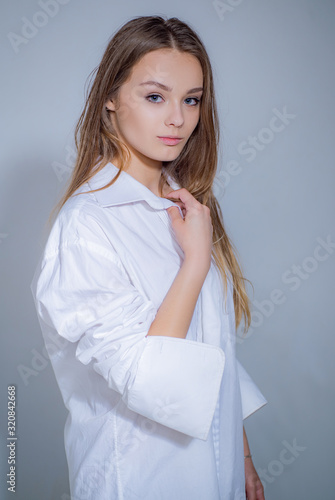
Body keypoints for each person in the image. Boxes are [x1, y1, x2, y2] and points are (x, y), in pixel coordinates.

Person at [31, 15, 267, 500]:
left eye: (192, 99)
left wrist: (241, 459)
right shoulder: (88, 225)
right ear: (110, 99)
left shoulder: (187, 209)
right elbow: (150, 376)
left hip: (214, 475)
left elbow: (212, 345)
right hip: (139, 480)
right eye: (155, 96)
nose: (178, 118)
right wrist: (196, 263)